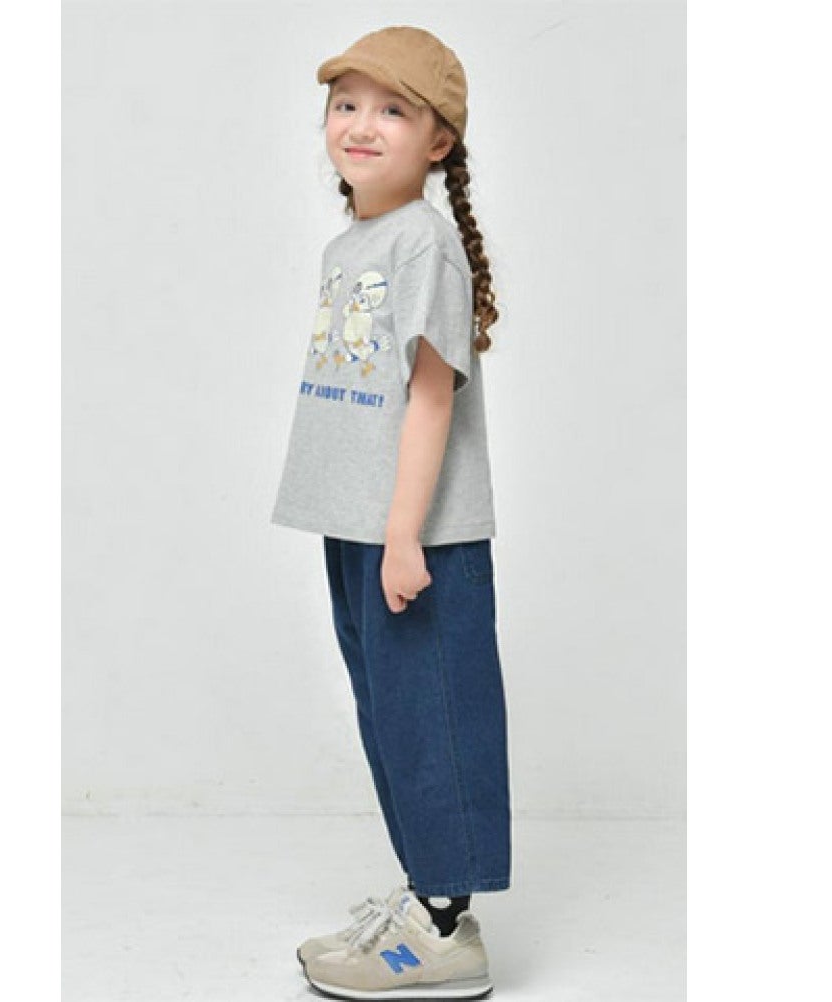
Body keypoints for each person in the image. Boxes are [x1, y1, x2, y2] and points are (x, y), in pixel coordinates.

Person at [270, 25, 512, 1001]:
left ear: (438, 140)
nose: (361, 125)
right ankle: (424, 899)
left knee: (436, 719)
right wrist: (371, 528)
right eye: (347, 104)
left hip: (415, 534)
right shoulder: (356, 243)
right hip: (360, 523)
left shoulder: (422, 243)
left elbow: (430, 397)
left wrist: (405, 534)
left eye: (393, 109)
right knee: (393, 716)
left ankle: (446, 932)